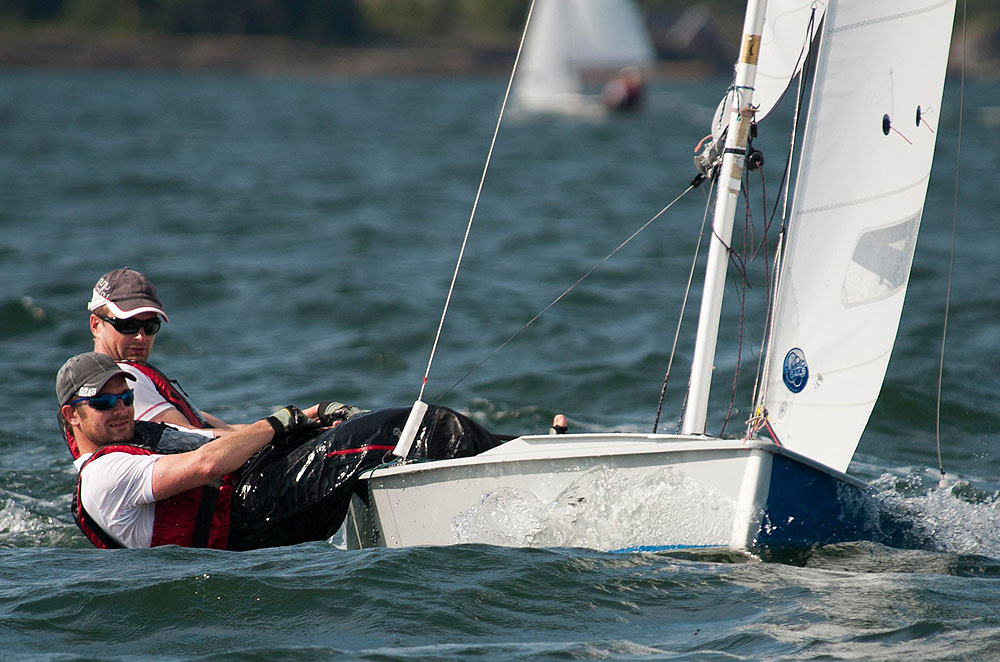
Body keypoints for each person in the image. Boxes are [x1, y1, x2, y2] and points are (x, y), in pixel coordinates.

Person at [58, 351, 504, 549]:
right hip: (256, 512)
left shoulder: (135, 442)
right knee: (416, 425)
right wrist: (279, 421)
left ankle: (510, 454)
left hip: (261, 489)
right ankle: (512, 468)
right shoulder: (103, 475)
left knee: (378, 433)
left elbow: (218, 442)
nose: (119, 409)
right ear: (71, 416)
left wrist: (308, 418)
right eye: (101, 402)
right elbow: (208, 464)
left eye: (125, 398)